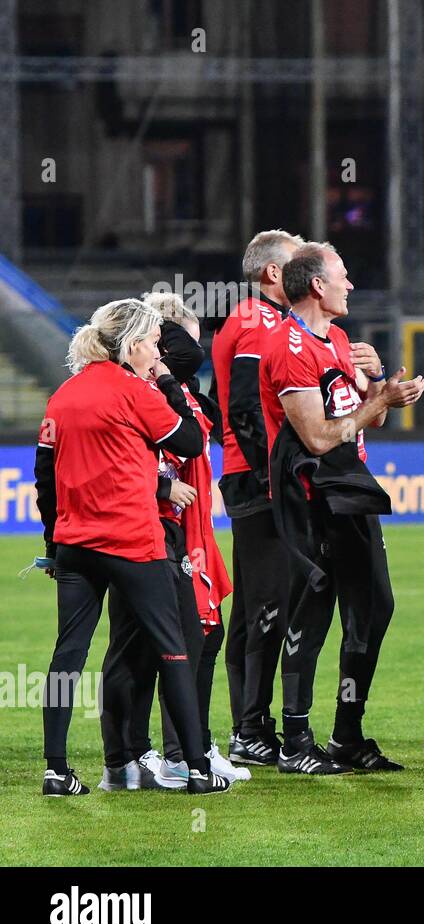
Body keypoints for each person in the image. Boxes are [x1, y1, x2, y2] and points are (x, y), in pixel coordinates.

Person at [34, 298, 231, 796]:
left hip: (75, 545)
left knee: (67, 655)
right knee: (174, 650)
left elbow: (45, 479)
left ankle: (57, 770)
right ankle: (198, 771)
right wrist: (166, 382)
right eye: (151, 342)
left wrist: (53, 545)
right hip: (132, 541)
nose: (156, 351)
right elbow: (188, 441)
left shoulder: (63, 395)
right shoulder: (135, 391)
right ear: (133, 344)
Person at [260, 242, 424, 774]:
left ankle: (346, 734)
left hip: (350, 491)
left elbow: (364, 422)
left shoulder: (334, 339)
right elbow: (314, 438)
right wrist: (380, 400)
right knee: (312, 613)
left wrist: (378, 383)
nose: (350, 285)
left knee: (373, 608)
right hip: (312, 499)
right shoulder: (289, 346)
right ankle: (294, 740)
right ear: (317, 286)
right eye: (344, 276)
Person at [98, 293, 243, 791]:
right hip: (148, 528)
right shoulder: (140, 387)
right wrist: (161, 486)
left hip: (185, 528)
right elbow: (119, 456)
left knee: (181, 638)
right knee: (150, 644)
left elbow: (198, 436)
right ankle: (160, 755)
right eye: (158, 340)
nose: (168, 349)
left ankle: (170, 752)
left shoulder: (174, 390)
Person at [211, 228, 304, 764]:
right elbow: (244, 407)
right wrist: (272, 475)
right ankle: (250, 728)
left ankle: (249, 724)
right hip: (256, 474)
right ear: (273, 273)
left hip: (253, 472)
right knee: (269, 602)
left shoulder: (269, 321)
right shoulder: (254, 320)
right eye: (295, 264)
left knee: (254, 603)